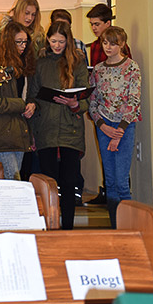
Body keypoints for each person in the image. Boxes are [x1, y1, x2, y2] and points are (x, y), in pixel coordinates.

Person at [29, 21, 90, 229]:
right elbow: (33, 95)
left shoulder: (78, 62)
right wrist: (32, 121)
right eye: (53, 41)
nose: (57, 45)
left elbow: (86, 97)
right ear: (47, 39)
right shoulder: (41, 63)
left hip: (70, 129)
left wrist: (75, 104)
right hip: (45, 127)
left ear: (68, 41)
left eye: (61, 42)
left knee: (68, 182)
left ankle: (68, 229)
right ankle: (51, 226)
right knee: (49, 183)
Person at [89, 26, 141, 228]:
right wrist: (102, 125)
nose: (108, 47)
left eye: (113, 43)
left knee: (121, 182)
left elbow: (134, 101)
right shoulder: (98, 69)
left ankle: (128, 228)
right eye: (105, 43)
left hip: (124, 128)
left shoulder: (131, 67)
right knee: (110, 182)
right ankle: (115, 227)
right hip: (104, 127)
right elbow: (93, 101)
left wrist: (119, 132)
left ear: (122, 44)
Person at [0, 21, 36, 179]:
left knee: (15, 179)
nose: (23, 46)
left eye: (25, 42)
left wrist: (31, 104)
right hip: (1, 132)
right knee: (12, 179)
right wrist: (20, 104)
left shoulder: (24, 63)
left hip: (19, 130)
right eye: (18, 42)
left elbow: (27, 95)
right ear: (8, 42)